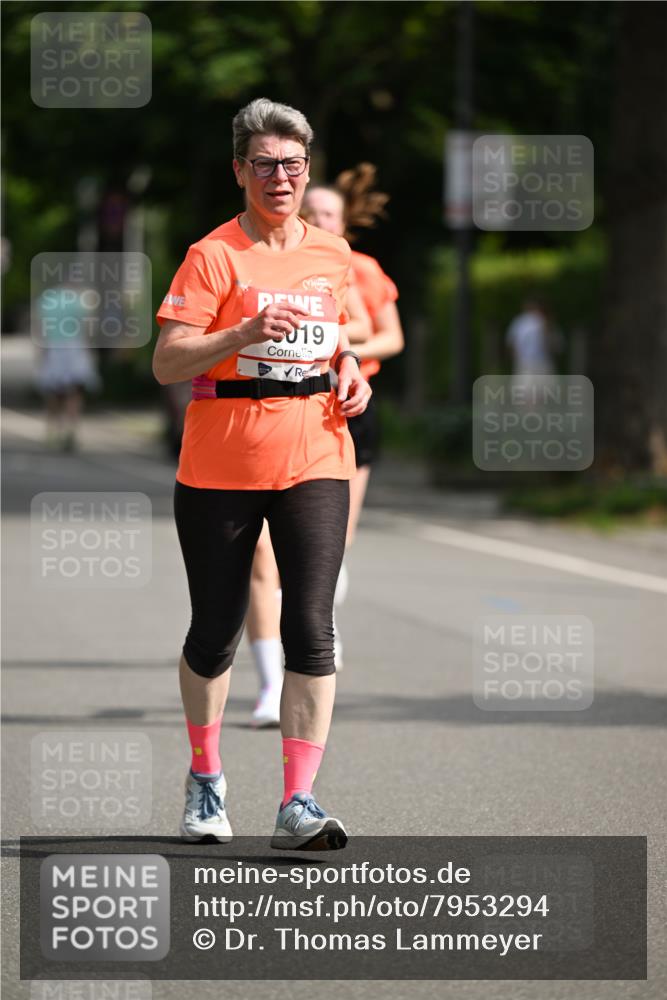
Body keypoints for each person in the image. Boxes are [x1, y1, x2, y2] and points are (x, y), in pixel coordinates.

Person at [152, 98, 371, 850]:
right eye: (265, 164)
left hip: (316, 451)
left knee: (313, 628)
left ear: (307, 169)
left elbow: (334, 338)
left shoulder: (331, 254)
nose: (280, 176)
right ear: (239, 170)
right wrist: (241, 331)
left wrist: (348, 368)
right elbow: (166, 362)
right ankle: (207, 778)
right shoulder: (213, 255)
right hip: (221, 460)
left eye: (293, 164)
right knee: (214, 633)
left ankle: (298, 802)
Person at [303, 164, 405, 667]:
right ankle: (290, 622)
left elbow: (392, 337)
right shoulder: (287, 266)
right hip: (297, 404)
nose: (320, 219)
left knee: (336, 533)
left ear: (344, 222)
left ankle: (324, 627)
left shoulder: (360, 268)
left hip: (353, 402)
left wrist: (338, 340)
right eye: (312, 212)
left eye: (329, 213)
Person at [33, 282, 101, 451]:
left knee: (53, 392)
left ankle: (52, 431)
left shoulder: (46, 300)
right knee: (74, 392)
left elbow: (40, 328)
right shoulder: (80, 301)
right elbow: (87, 329)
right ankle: (71, 431)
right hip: (75, 348)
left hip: (54, 348)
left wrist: (40, 352)